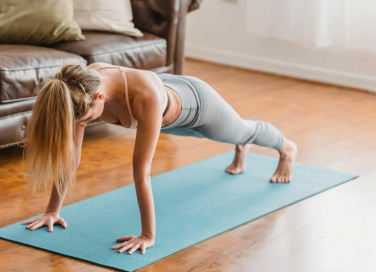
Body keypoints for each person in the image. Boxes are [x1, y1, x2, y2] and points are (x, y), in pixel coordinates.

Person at [22, 62, 297, 255]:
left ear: (100, 97)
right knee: (231, 136)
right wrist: (53, 211)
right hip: (166, 103)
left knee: (241, 130)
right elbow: (72, 159)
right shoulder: (79, 86)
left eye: (87, 119)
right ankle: (240, 146)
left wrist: (147, 236)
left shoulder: (144, 99)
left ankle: (286, 148)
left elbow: (142, 173)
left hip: (197, 104)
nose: (84, 124)